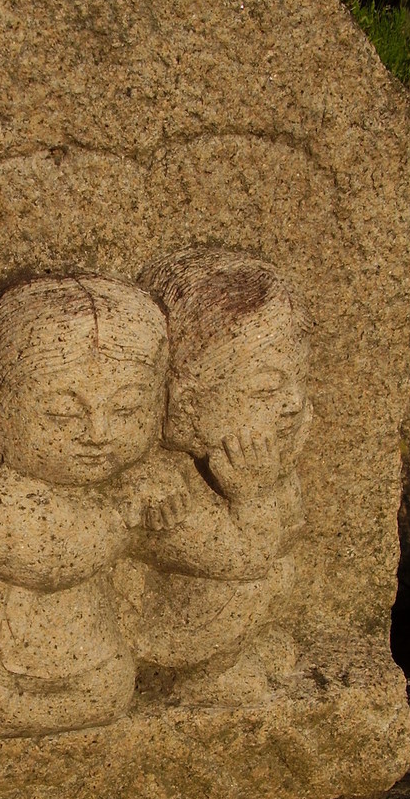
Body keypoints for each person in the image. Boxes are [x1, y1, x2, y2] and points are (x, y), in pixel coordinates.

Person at [0, 273, 185, 737]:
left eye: (126, 410)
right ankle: (3, 708)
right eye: (63, 413)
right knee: (109, 690)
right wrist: (122, 515)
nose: (99, 433)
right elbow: (53, 561)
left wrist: (157, 489)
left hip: (67, 623)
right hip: (6, 634)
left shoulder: (102, 473)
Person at [111, 248, 312, 704]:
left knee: (281, 571)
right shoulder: (155, 484)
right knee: (254, 585)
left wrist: (276, 477)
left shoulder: (246, 459)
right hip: (153, 623)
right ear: (187, 405)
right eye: (267, 388)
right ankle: (198, 675)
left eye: (298, 378)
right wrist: (254, 495)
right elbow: (246, 557)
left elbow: (291, 528)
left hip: (230, 565)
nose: (294, 403)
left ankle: (233, 651)